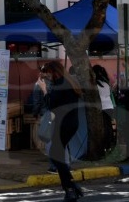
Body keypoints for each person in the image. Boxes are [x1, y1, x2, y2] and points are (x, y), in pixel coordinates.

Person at [37, 61, 84, 202]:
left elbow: (52, 105)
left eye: (48, 73)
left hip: (63, 124)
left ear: (54, 71)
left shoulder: (60, 85)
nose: (48, 77)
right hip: (72, 123)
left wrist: (44, 90)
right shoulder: (70, 81)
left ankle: (70, 188)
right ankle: (71, 185)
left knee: (56, 155)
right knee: (57, 154)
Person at [93, 65, 116, 154]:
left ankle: (105, 146)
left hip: (102, 107)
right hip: (109, 106)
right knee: (108, 127)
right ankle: (109, 145)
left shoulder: (95, 84)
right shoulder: (106, 83)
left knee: (104, 127)